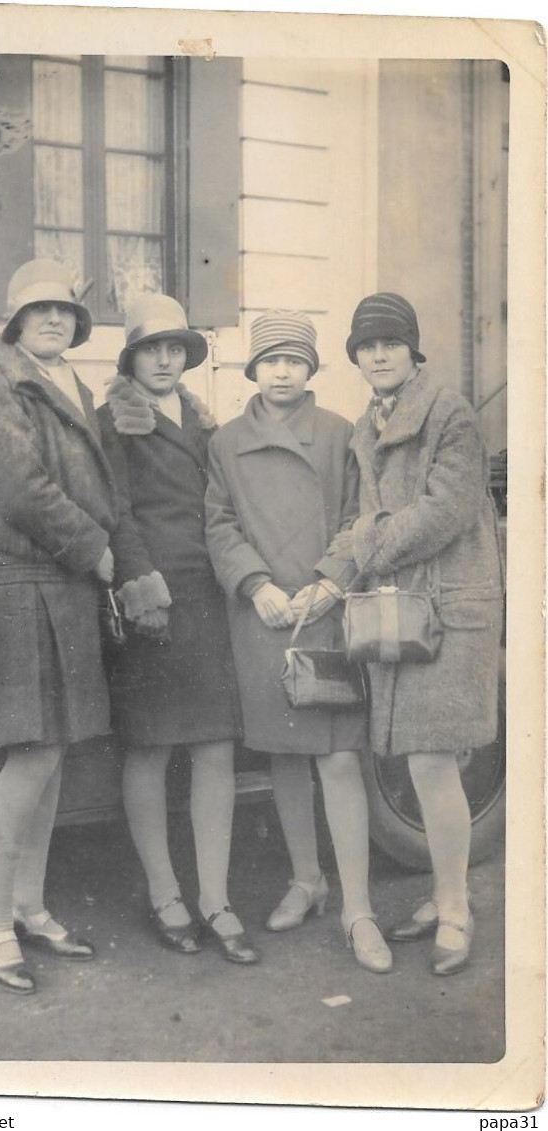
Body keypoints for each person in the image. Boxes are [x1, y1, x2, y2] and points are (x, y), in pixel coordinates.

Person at [0, 258, 118, 994]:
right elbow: (22, 491)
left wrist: (93, 554)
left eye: (63, 311)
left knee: (52, 759)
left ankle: (28, 904)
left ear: (76, 325)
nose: (52, 319)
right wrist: (97, 547)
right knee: (35, 755)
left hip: (56, 584)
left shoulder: (63, 387)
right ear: (15, 321)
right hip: (14, 587)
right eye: (37, 310)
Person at [205, 310, 393, 974]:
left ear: (311, 368)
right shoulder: (225, 442)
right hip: (263, 617)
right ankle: (306, 879)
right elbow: (219, 523)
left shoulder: (340, 434)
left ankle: (357, 907)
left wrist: (331, 581)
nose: (281, 371)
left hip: (325, 611)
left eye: (294, 360)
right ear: (251, 369)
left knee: (338, 759)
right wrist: (253, 584)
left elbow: (358, 519)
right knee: (284, 756)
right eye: (269, 360)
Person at [336, 292, 504, 975]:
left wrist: (365, 545)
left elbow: (445, 509)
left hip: (449, 607)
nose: (377, 355)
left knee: (433, 761)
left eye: (389, 344)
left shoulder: (448, 410)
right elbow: (365, 514)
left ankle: (456, 907)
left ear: (413, 350)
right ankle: (443, 895)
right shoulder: (364, 421)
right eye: (365, 346)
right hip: (401, 609)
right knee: (420, 761)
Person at [97, 294, 257, 965]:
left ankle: (215, 899)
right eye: (151, 348)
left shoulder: (201, 419)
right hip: (152, 600)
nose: (164, 359)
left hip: (206, 593)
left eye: (175, 349)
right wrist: (142, 589)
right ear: (130, 356)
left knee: (215, 747)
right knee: (152, 748)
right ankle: (165, 893)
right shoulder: (112, 421)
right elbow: (115, 513)